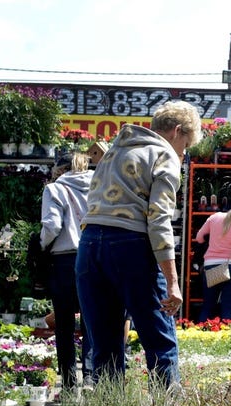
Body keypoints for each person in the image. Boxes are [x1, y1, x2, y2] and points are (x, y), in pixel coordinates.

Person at [77, 100, 201, 389]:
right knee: (159, 340)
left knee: (105, 345)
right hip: (131, 247)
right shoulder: (164, 155)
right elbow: (159, 221)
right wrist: (172, 282)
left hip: (90, 245)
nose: (183, 152)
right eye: (185, 143)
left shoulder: (116, 151)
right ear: (177, 131)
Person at [40, 151, 93, 394]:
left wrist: (40, 245)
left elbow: (52, 226)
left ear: (59, 171)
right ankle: (92, 378)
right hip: (95, 257)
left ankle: (70, 384)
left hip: (65, 260)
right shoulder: (99, 185)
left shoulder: (55, 189)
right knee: (93, 320)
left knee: (64, 324)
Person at [195, 193, 231, 322]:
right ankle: (225, 339)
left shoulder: (215, 217)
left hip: (211, 265)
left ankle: (199, 336)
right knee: (228, 307)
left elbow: (199, 238)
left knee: (208, 306)